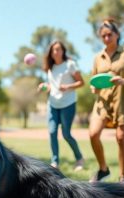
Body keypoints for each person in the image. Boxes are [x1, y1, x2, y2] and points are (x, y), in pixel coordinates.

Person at [88, 19, 124, 183]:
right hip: (102, 102)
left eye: (109, 35)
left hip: (123, 101)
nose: (106, 38)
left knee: (120, 138)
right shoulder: (98, 57)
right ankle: (103, 169)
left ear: (117, 35)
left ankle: (122, 177)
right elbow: (94, 80)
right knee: (93, 134)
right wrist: (94, 88)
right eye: (103, 36)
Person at [38, 41, 85, 171]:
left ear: (63, 51)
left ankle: (80, 158)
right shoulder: (50, 67)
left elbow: (81, 82)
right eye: (53, 50)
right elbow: (50, 86)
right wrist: (44, 87)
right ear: (51, 53)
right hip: (53, 103)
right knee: (52, 132)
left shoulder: (70, 65)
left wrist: (68, 87)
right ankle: (55, 162)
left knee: (66, 134)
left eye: (58, 49)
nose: (56, 52)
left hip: (68, 103)